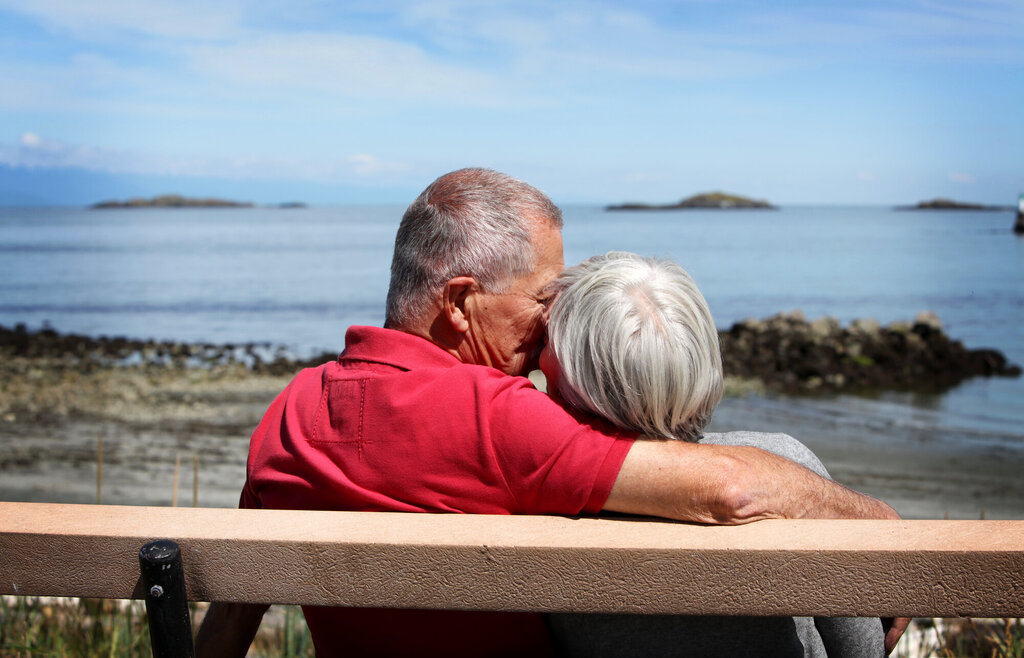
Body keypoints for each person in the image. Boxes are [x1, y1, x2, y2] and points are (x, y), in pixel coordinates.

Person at [196, 168, 904, 657]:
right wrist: (883, 531)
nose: (544, 338)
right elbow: (733, 489)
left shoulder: (285, 416)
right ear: (460, 301)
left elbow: (231, 615)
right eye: (542, 302)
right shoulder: (496, 418)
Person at [539, 251, 885, 657]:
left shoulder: (542, 489)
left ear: (569, 374)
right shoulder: (780, 467)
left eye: (547, 345)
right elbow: (860, 646)